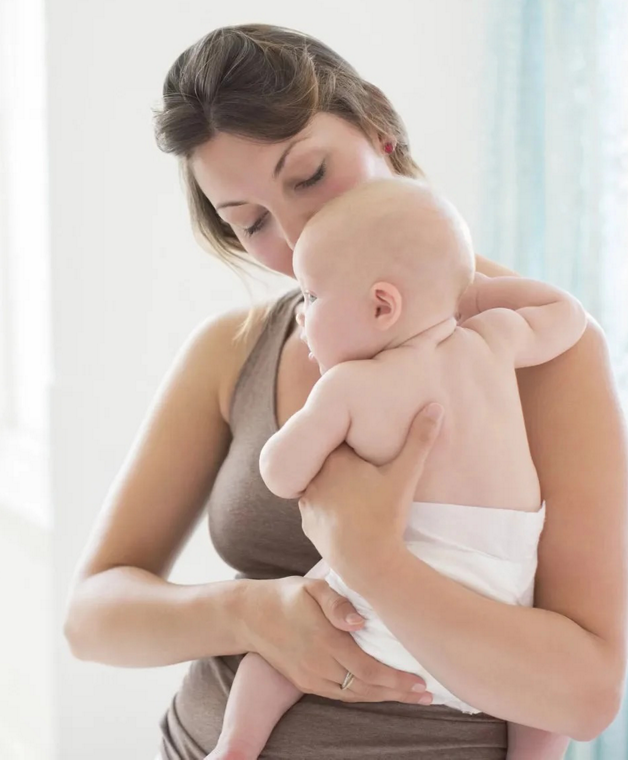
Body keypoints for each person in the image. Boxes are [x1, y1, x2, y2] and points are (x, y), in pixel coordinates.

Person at [63, 24, 628, 759]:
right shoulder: (231, 354)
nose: (298, 234)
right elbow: (92, 616)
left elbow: (585, 695)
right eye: (252, 222)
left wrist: (372, 564)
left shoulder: (540, 353)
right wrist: (253, 612)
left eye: (307, 177)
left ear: (380, 129)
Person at [207, 178, 583, 760]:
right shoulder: (494, 342)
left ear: (382, 305)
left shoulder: (352, 386)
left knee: (271, 660)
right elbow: (567, 312)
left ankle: (236, 745)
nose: (301, 317)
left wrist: (314, 444)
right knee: (540, 713)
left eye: (311, 297)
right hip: (496, 621)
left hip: (380, 622)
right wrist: (467, 293)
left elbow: (280, 474)